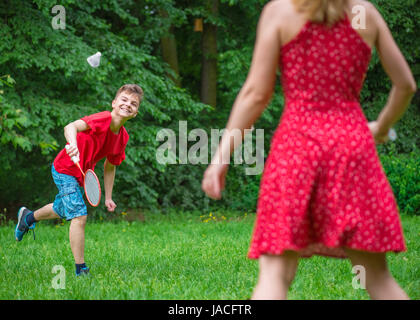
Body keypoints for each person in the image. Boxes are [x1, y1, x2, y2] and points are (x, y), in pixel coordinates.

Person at [202, 0, 416, 299]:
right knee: (378, 279)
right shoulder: (364, 14)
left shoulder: (280, 12)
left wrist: (221, 157)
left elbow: (256, 94)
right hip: (352, 148)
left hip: (297, 147)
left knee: (276, 276)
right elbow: (405, 85)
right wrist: (381, 127)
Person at [14, 84, 143, 276]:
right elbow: (71, 127)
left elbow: (110, 166)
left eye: (133, 104)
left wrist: (108, 197)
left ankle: (28, 218)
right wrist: (72, 145)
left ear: (135, 113)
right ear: (114, 103)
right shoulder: (102, 119)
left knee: (62, 208)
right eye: (124, 100)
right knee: (79, 214)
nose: (128, 105)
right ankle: (80, 269)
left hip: (81, 174)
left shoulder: (123, 137)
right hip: (65, 168)